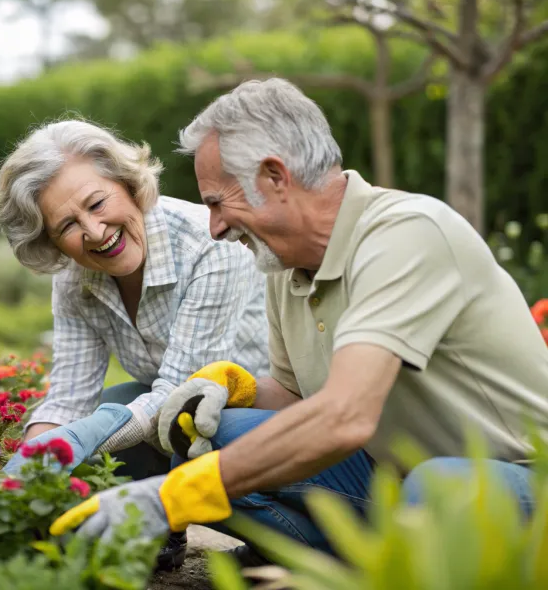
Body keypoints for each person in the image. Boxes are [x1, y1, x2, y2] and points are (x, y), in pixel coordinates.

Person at [47, 78, 548, 565]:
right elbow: (293, 396)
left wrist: (170, 497)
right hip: (394, 479)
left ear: (274, 177)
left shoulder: (408, 234)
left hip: (519, 479)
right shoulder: (284, 266)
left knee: (441, 487)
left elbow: (345, 415)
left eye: (219, 202)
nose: (216, 227)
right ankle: (344, 566)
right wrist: (232, 386)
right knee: (212, 435)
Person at [0, 119, 270, 569]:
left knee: (132, 417)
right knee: (113, 404)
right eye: (68, 226)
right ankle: (157, 535)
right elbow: (68, 398)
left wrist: (75, 441)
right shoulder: (74, 276)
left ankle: (279, 545)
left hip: (259, 414)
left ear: (127, 183)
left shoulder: (207, 246)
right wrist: (26, 469)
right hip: (182, 411)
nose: (96, 232)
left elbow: (179, 392)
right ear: (52, 241)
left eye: (97, 203)